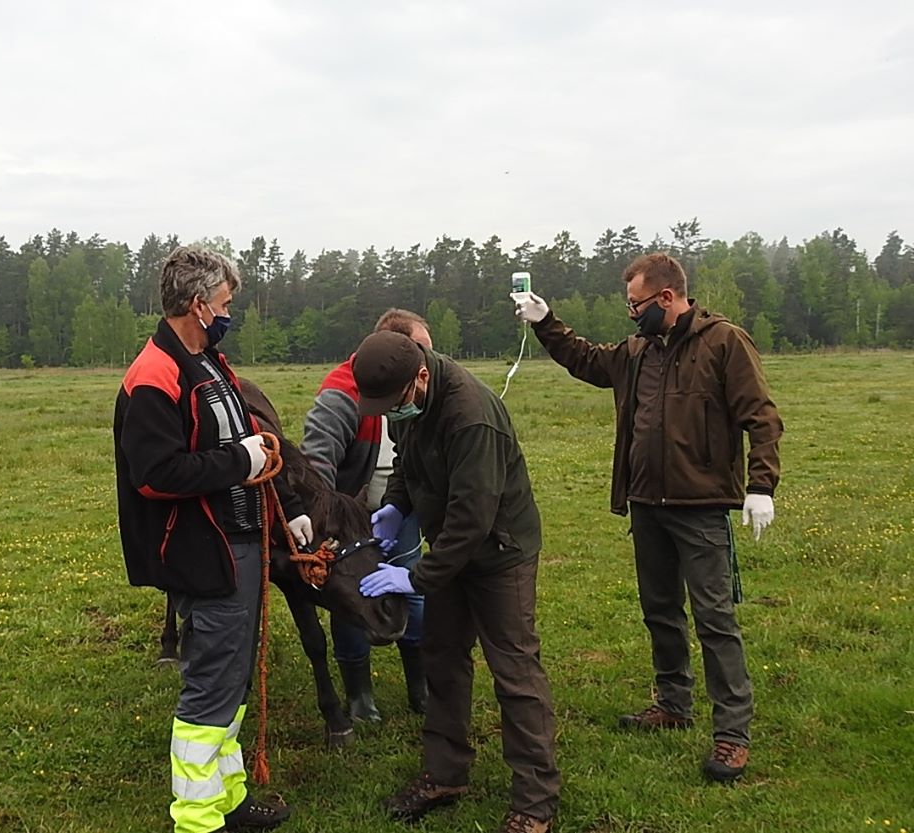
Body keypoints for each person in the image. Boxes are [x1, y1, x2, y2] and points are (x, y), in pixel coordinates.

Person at [515, 252, 783, 783]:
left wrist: (760, 487)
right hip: (647, 503)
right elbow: (588, 360)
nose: (631, 315)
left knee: (715, 621)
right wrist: (545, 322)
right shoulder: (639, 351)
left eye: (636, 304)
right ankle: (673, 704)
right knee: (660, 610)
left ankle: (731, 734)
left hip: (701, 508)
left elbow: (763, 417)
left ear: (667, 297)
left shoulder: (725, 342)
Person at [114, 246, 311, 833]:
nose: (230, 313)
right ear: (199, 305)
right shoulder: (154, 374)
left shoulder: (211, 364)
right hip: (204, 552)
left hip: (243, 543)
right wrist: (235, 462)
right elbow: (156, 475)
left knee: (232, 675)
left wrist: (286, 509)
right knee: (209, 687)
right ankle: (198, 819)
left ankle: (228, 797)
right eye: (225, 303)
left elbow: (251, 443)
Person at [353, 330, 560, 833]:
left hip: (499, 553)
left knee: (515, 673)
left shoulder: (471, 416)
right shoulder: (406, 402)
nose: (388, 414)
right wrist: (395, 506)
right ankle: (446, 774)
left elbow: (474, 519)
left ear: (421, 376)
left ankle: (534, 803)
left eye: (393, 403)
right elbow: (407, 462)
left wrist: (416, 576)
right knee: (442, 659)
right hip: (450, 545)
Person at [300, 309, 431, 721]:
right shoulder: (340, 393)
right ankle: (360, 695)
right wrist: (334, 519)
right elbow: (316, 463)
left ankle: (421, 684)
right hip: (354, 518)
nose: (431, 361)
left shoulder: (423, 389)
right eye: (423, 350)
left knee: (414, 590)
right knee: (355, 598)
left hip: (402, 507)